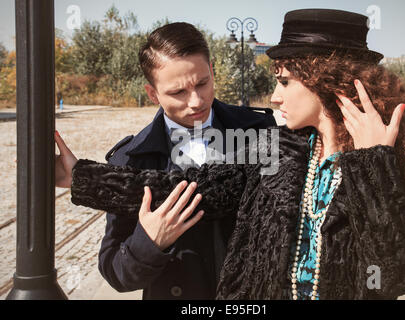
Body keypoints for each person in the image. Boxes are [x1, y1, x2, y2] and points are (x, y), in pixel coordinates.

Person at [59, 9, 405, 299]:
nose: (275, 96)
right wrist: (80, 176)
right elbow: (187, 190)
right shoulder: (275, 147)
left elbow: (397, 273)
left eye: (284, 81)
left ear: (325, 81)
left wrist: (373, 163)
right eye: (177, 91)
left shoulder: (398, 162)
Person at [55, 22, 276, 300]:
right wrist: (149, 242)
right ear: (152, 93)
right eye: (178, 92)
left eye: (202, 83)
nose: (196, 101)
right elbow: (115, 273)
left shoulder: (257, 130)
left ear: (212, 72)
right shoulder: (130, 158)